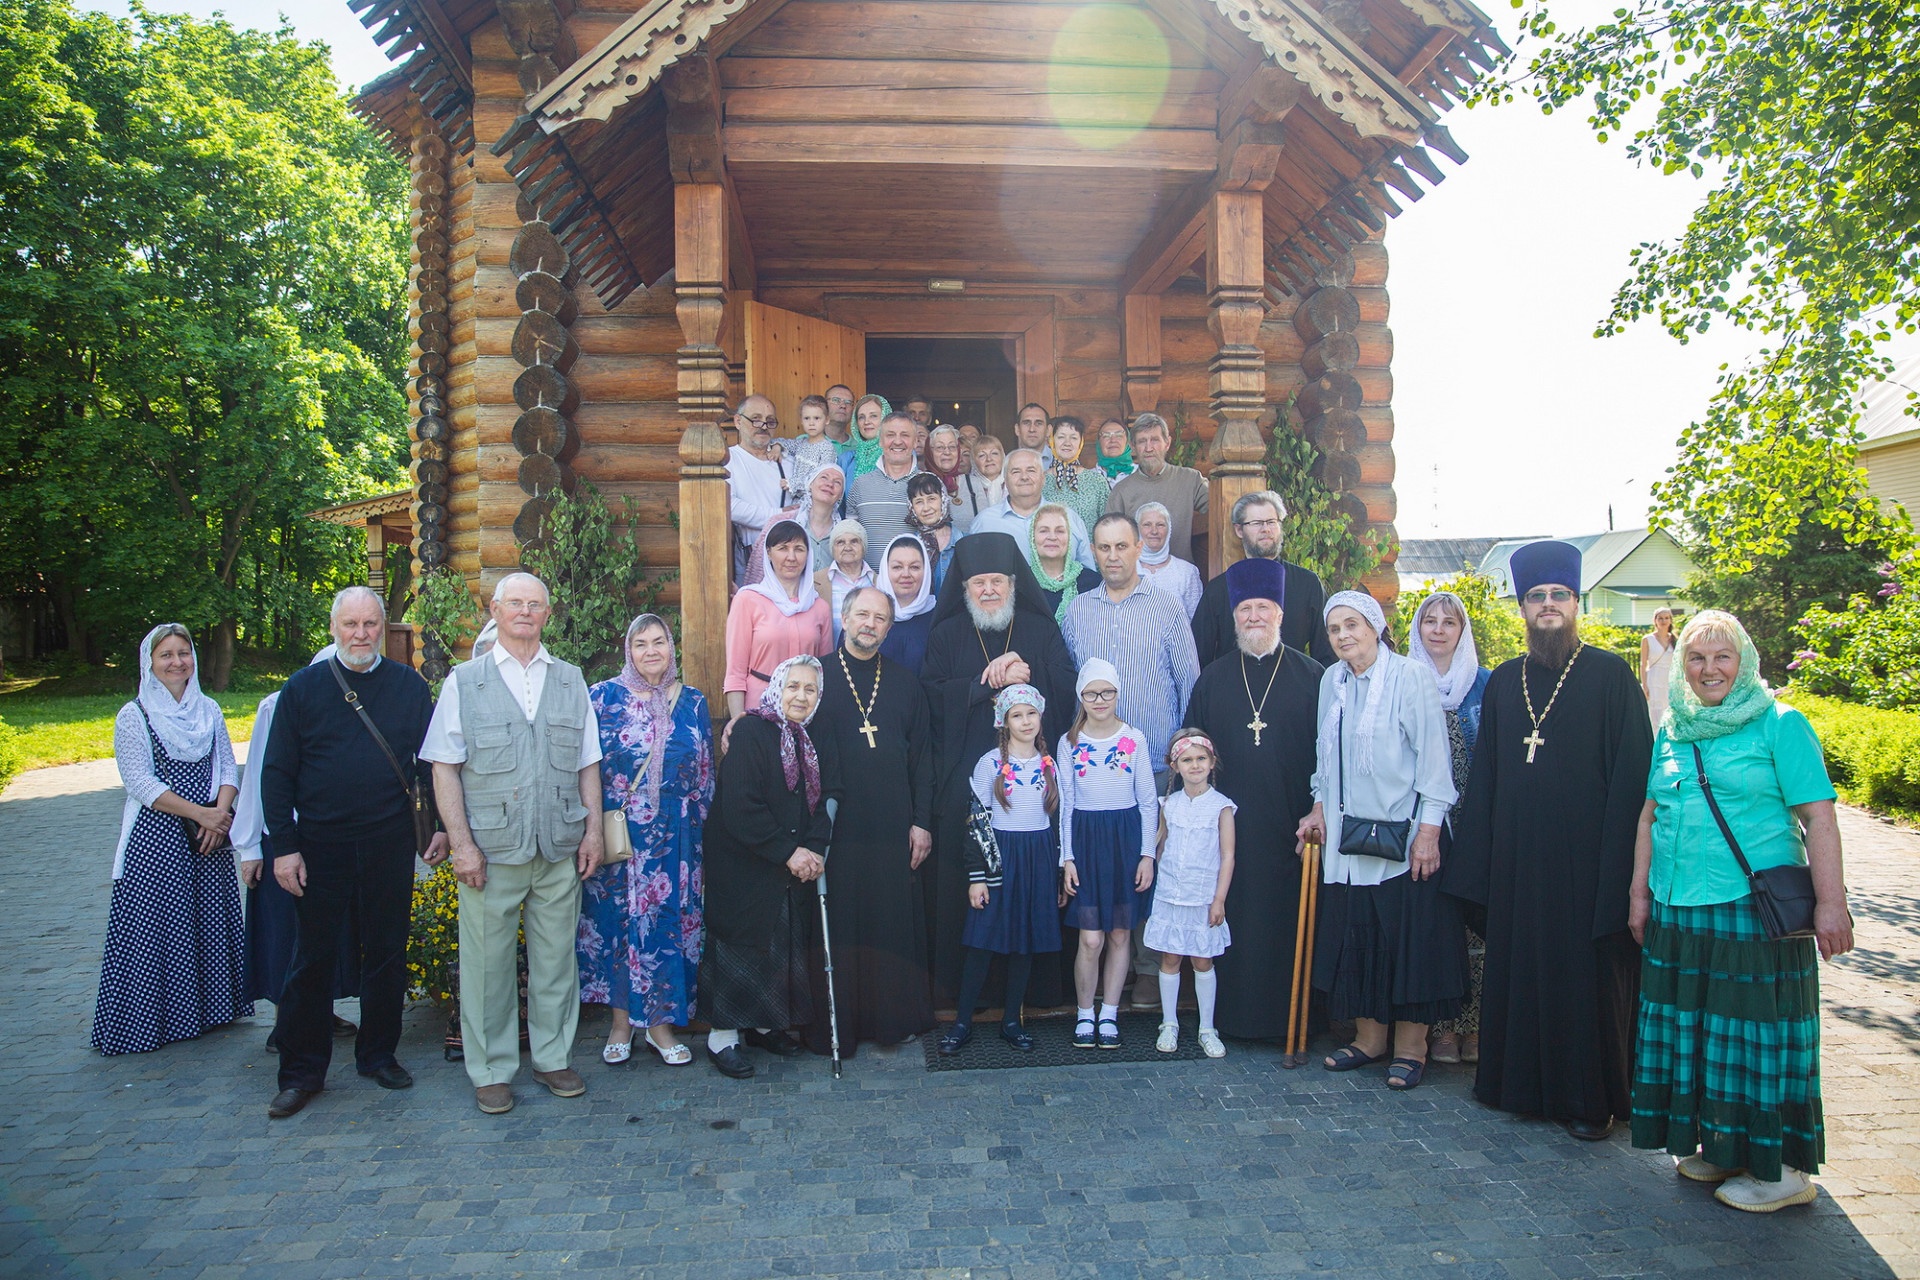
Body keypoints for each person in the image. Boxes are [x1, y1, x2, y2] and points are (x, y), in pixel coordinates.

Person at [1629, 610, 1852, 1212]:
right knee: (1701, 1035)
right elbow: (1650, 816)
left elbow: (1819, 818)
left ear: (1745, 661)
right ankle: (1725, 1148)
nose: (1709, 670)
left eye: (1722, 656)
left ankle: (1781, 1171)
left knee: (1757, 1038)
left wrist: (1833, 903)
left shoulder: (1781, 724)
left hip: (1749, 912)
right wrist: (1639, 894)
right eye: (1696, 659)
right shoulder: (1675, 730)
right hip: (1680, 910)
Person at [1442, 539, 1655, 1141]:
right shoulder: (1507, 682)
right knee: (1523, 972)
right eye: (1537, 597)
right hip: (1518, 866)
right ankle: (1518, 1088)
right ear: (1522, 607)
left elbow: (1635, 782)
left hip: (1589, 867)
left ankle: (1589, 1101)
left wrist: (1624, 876)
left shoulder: (1611, 676)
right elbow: (1483, 781)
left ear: (1576, 601)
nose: (1548, 606)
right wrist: (1479, 867)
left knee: (1584, 984)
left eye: (1559, 595)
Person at [257, 587, 446, 1118]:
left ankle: (378, 1054)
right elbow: (276, 776)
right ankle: (300, 1071)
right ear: (334, 627)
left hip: (388, 841)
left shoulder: (409, 686)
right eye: (350, 625)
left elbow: (429, 765)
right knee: (312, 960)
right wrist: (285, 849)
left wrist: (437, 827)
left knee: (385, 952)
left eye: (369, 624)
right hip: (320, 845)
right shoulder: (303, 689)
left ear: (383, 627)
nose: (360, 634)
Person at [425, 572, 605, 1115]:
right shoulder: (465, 680)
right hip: (491, 851)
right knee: (487, 968)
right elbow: (444, 766)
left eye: (536, 604)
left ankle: (552, 1057)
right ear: (496, 611)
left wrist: (593, 830)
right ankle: (492, 1070)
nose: (526, 612)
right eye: (515, 604)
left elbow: (587, 762)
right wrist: (461, 844)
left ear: (548, 614)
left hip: (557, 846)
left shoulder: (572, 680)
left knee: (556, 962)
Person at [1297, 591, 1463, 1092]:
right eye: (1334, 629)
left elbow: (1434, 759)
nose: (1343, 635)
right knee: (1359, 938)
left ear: (1375, 627)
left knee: (1408, 945)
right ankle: (1370, 1039)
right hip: (1350, 838)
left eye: (1353, 625)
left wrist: (1429, 832)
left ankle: (1411, 1050)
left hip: (1406, 835)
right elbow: (1325, 757)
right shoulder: (1333, 680)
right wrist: (1319, 804)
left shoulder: (1410, 677)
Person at [919, 533, 1080, 1002]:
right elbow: (929, 694)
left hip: (1031, 790)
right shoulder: (947, 632)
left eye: (997, 581)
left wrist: (1025, 670)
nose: (988, 590)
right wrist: (980, 686)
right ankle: (964, 998)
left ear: (1013, 584)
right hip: (964, 779)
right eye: (978, 583)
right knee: (969, 889)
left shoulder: (1038, 628)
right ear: (964, 587)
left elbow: (1067, 687)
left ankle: (1025, 999)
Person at [1180, 558, 1322, 1040]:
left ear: (1280, 614)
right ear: (1234, 616)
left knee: (1285, 925)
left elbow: (1331, 755)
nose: (1254, 616)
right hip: (1229, 837)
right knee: (1233, 919)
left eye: (1264, 607)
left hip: (1291, 829)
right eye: (1245, 609)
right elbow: (1191, 751)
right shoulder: (1213, 679)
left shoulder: (1314, 677)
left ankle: (1293, 1021)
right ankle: (1230, 1021)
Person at [92, 624, 249, 1056]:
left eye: (184, 652)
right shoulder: (135, 715)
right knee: (159, 929)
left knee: (203, 920)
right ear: (150, 663)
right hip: (158, 835)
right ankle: (153, 1022)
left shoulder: (209, 710)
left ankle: (208, 1012)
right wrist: (204, 815)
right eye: (167, 655)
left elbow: (226, 767)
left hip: (208, 836)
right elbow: (140, 782)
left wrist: (221, 813)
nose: (177, 662)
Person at [580, 614, 714, 1068]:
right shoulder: (601, 698)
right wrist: (590, 829)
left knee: (664, 930)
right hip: (620, 837)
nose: (651, 651)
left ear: (671, 647)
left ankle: (659, 1026)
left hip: (676, 840)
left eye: (659, 642)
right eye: (641, 643)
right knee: (619, 928)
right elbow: (586, 769)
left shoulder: (692, 701)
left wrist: (696, 832)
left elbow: (706, 775)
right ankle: (621, 1024)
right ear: (628, 649)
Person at [699, 655, 841, 1079]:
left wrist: (814, 849)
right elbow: (741, 807)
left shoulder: (811, 737)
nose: (801, 696)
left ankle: (764, 1026)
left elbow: (829, 794)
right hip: (743, 863)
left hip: (785, 865)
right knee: (741, 944)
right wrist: (789, 852)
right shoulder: (751, 732)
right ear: (778, 687)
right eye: (793, 686)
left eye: (810, 689)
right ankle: (721, 1038)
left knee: (777, 947)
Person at [808, 587, 937, 1053]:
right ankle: (838, 1023)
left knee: (888, 920)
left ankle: (889, 1019)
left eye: (880, 618)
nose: (870, 623)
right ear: (844, 617)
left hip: (892, 823)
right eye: (862, 614)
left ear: (889, 626)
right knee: (840, 920)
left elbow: (923, 760)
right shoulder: (815, 676)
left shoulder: (904, 682)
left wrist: (921, 821)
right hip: (834, 826)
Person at [229, 644, 359, 1052]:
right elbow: (260, 777)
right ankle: (287, 1020)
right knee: (286, 933)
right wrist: (249, 844)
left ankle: (319, 1009)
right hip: (285, 838)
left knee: (330, 933)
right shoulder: (278, 704)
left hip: (337, 835)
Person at [937, 684, 1064, 1055]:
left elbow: (1057, 822)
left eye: (1031, 714)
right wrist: (977, 877)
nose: (1025, 721)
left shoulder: (1049, 764)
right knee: (982, 943)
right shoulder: (989, 763)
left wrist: (1056, 872)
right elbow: (976, 823)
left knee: (1023, 944)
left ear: (1041, 718)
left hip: (1036, 856)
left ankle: (1012, 1020)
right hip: (1000, 857)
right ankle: (962, 1022)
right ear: (1004, 722)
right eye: (1016, 715)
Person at [1407, 591, 1492, 1066]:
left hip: (1472, 818)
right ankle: (1439, 1028)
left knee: (1475, 924)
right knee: (1435, 924)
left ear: (1463, 631)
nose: (1438, 630)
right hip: (1422, 821)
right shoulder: (1402, 680)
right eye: (1429, 621)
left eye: (1449, 622)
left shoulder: (1486, 685)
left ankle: (1474, 1027)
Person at [1057, 658, 1158, 1050]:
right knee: (1091, 938)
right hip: (1086, 840)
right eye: (1091, 693)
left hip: (1125, 840)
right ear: (1081, 697)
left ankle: (1110, 1013)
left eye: (1107, 692)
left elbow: (1148, 801)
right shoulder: (1071, 743)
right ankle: (1085, 1012)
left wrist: (1146, 854)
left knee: (1119, 933)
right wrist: (1067, 857)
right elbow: (1066, 803)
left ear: (1118, 694)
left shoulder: (1133, 738)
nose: (1099, 700)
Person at [1061, 512, 1199, 774]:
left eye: (1121, 546)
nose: (1113, 556)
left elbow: (1188, 682)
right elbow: (1069, 684)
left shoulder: (1167, 606)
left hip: (1155, 757)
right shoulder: (1077, 611)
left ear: (1138, 548)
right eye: (1104, 547)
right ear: (1093, 551)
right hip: (1093, 762)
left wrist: (1182, 747)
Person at [1147, 730, 1235, 1058]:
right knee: (1170, 958)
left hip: (1203, 898)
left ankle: (1206, 1027)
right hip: (1171, 894)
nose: (1194, 765)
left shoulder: (1221, 807)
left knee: (1202, 959)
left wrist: (1219, 899)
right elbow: (1159, 845)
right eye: (1187, 760)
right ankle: (1169, 1023)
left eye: (1201, 759)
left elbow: (1228, 855)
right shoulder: (1168, 804)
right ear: (1175, 765)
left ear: (1212, 763)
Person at [1191, 491, 1334, 667]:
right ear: (1239, 530)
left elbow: (1327, 653)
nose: (1266, 529)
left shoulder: (1307, 583)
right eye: (1257, 523)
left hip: (1296, 690)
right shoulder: (1219, 589)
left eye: (1271, 522)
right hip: (1233, 690)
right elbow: (1198, 657)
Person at [724, 519, 834, 723]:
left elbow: (823, 672)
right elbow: (735, 671)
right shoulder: (748, 600)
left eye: (799, 549)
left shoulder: (820, 608)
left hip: (805, 711)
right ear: (768, 552)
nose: (791, 557)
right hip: (758, 709)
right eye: (783, 548)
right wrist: (738, 721)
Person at [969, 448, 1097, 570]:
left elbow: (1088, 574)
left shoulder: (1068, 518)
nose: (1024, 477)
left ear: (1043, 479)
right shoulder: (984, 523)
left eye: (1031, 470)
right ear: (1005, 481)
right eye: (1016, 472)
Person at [1105, 412, 1207, 564]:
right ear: (1133, 447)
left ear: (1167, 443)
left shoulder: (1191, 480)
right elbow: (1110, 538)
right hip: (1137, 580)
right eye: (1142, 441)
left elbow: (1222, 509)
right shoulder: (1121, 492)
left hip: (1181, 577)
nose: (1148, 448)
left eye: (1154, 440)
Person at [847, 411, 925, 570]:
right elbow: (851, 540)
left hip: (912, 586)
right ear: (880, 441)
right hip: (869, 586)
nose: (897, 441)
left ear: (916, 442)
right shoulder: (860, 485)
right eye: (890, 435)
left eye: (905, 435)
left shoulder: (930, 485)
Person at [744, 464, 844, 586]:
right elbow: (758, 569)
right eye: (824, 477)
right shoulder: (778, 522)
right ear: (810, 484)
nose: (829, 484)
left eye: (837, 482)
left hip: (827, 603)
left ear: (840, 495)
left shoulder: (844, 535)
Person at [726, 394, 791, 581]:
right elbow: (730, 507)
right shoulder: (728, 460)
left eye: (770, 421)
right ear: (738, 421)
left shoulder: (787, 461)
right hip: (749, 558)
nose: (763, 426)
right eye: (756, 419)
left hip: (789, 561)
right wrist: (779, 514)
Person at [1028, 503, 1101, 623]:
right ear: (1033, 537)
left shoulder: (1093, 584)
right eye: (1044, 531)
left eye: (1060, 531)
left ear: (1069, 538)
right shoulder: (1021, 585)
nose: (1052, 537)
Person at [877, 534, 938, 674]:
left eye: (914, 567)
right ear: (885, 570)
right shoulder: (866, 613)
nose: (906, 574)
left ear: (926, 570)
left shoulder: (939, 618)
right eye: (897, 567)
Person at [1041, 415, 1111, 536]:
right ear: (1051, 441)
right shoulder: (1040, 481)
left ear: (1081, 443)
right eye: (1061, 437)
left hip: (1088, 553)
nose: (1067, 443)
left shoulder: (1097, 481)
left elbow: (1107, 522)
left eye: (1073, 438)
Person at [1137, 501, 1202, 618]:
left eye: (1160, 525)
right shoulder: (1125, 570)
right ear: (1137, 530)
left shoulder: (1186, 572)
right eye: (1147, 524)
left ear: (1169, 529)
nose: (1154, 531)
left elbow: (1196, 623)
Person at [817, 519, 874, 644]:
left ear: (863, 546)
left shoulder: (879, 582)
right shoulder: (815, 582)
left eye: (854, 541)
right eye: (840, 542)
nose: (847, 547)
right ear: (833, 548)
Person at [904, 471, 960, 591]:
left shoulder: (963, 542)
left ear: (943, 499)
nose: (926, 508)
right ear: (911, 507)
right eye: (919, 502)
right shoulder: (909, 547)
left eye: (931, 499)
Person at [782, 394, 842, 502]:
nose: (811, 423)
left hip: (814, 501)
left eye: (817, 418)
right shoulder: (800, 443)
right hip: (796, 500)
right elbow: (785, 443)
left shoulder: (827, 448)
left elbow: (822, 479)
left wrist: (792, 483)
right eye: (806, 418)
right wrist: (777, 446)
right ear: (801, 420)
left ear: (827, 420)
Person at [921, 426, 974, 533]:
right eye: (940, 447)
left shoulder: (973, 483)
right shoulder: (920, 483)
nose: (947, 452)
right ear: (930, 452)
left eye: (952, 447)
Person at [953, 434, 1006, 530]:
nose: (989, 459)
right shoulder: (965, 487)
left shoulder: (1013, 485)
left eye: (994, 453)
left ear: (1002, 456)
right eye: (982, 455)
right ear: (973, 461)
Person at [841, 393, 891, 480]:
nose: (866, 422)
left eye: (873, 416)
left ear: (886, 418)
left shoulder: (897, 454)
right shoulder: (847, 459)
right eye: (861, 417)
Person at [1642, 607, 1677, 731]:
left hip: (1670, 679)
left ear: (1670, 620)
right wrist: (1645, 685)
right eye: (1660, 618)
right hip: (1654, 679)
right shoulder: (1647, 639)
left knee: (1670, 711)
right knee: (1655, 713)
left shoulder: (1675, 639)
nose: (1663, 621)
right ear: (1655, 620)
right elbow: (1643, 663)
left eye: (1666, 618)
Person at [1095, 417, 1135, 481]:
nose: (1113, 440)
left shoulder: (1141, 474)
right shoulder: (1086, 478)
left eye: (1119, 435)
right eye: (1106, 436)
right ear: (1099, 443)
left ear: (1128, 442)